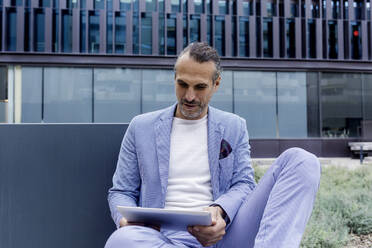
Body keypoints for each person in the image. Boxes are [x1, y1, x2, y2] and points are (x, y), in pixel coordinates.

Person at [105, 42, 321, 248]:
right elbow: (121, 191)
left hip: (227, 233)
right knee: (120, 241)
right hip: (161, 238)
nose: (189, 96)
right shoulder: (141, 127)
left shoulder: (234, 126)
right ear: (174, 79)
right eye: (183, 84)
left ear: (216, 84)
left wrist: (220, 210)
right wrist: (125, 222)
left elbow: (244, 184)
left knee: (303, 161)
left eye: (200, 87)